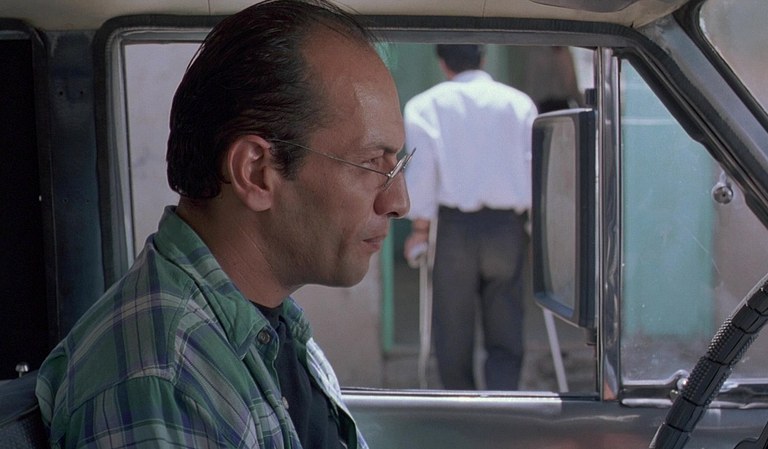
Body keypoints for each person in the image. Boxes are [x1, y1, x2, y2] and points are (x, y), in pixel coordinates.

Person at [35, 0, 411, 447]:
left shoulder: (268, 326)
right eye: (372, 163)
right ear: (256, 172)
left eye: (398, 164)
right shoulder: (167, 381)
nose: (399, 202)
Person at [403, 44, 538, 390]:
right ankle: (502, 405)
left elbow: (422, 175)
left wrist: (420, 229)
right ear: (484, 58)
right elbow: (532, 169)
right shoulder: (519, 104)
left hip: (455, 231)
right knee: (506, 321)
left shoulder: (425, 106)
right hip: (506, 228)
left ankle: (460, 409)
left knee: (452, 327)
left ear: (442, 64)